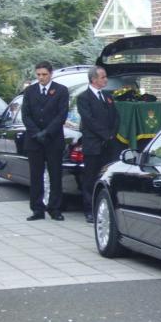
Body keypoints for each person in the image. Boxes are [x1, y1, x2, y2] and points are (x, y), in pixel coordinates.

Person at [21, 61, 69, 221]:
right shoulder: (29, 91)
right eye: (39, 74)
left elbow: (61, 115)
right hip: (34, 140)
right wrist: (36, 133)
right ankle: (37, 209)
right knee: (36, 176)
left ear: (51, 74)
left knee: (55, 175)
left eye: (44, 74)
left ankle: (54, 208)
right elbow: (26, 115)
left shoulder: (61, 90)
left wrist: (47, 132)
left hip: (53, 139)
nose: (41, 77)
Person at [77, 66, 120, 223]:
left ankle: (105, 208)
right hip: (93, 144)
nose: (106, 79)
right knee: (90, 178)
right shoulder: (84, 98)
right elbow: (89, 120)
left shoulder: (107, 96)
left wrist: (112, 134)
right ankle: (89, 210)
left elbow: (116, 117)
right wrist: (105, 134)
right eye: (103, 77)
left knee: (105, 177)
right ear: (94, 79)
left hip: (108, 144)